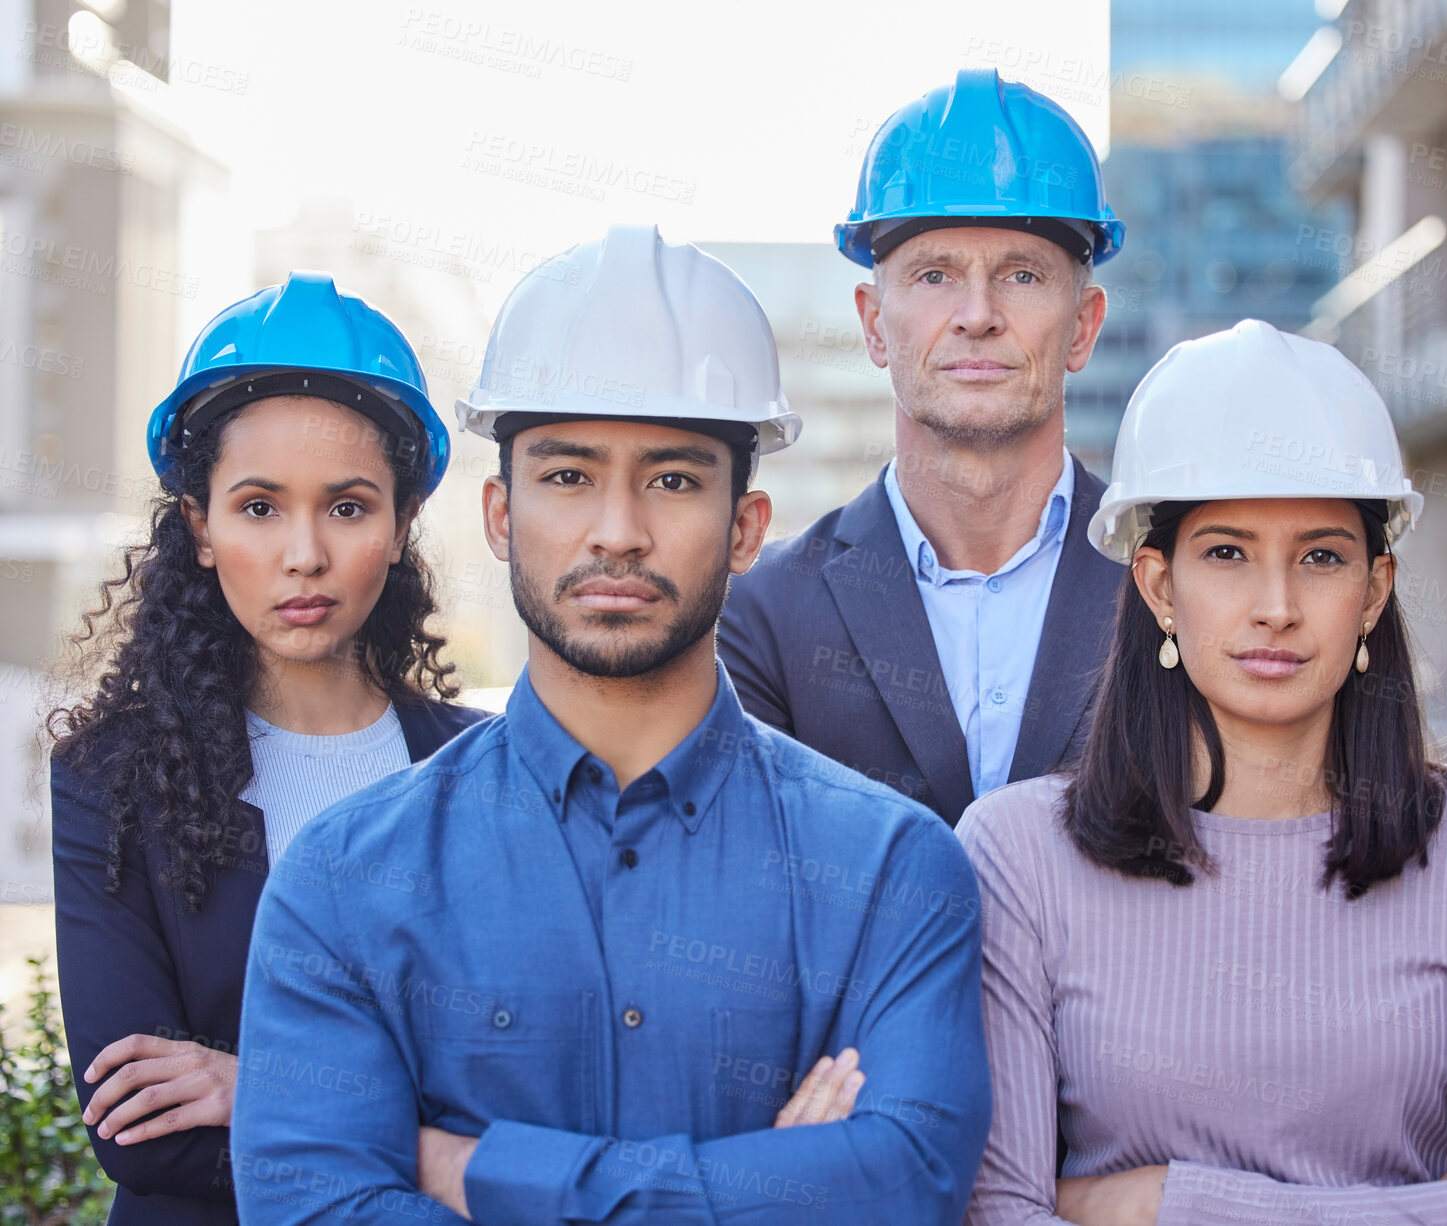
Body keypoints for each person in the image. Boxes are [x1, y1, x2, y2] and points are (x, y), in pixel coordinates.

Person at [231, 226, 992, 1225]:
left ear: (747, 526)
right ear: (500, 516)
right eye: (567, 475)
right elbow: (313, 1209)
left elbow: (900, 1183)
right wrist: (768, 1183)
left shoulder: (894, 869)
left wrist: (489, 1173)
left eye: (672, 478)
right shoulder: (343, 878)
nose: (617, 530)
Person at [957, 319, 1447, 1225]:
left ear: (1373, 590)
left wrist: (1164, 1204)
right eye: (1226, 553)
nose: (1277, 608)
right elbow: (998, 1212)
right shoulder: (1016, 853)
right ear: (1158, 587)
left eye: (1321, 558)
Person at [48, 272, 487, 1226]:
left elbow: (525, 1097)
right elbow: (142, 1135)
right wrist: (423, 1140)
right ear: (199, 526)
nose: (303, 555)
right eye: (257, 507)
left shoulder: (487, 773)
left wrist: (261, 1088)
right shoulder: (110, 777)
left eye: (347, 506)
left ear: (402, 523)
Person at [720, 69, 1128, 825]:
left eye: (1022, 274)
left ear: (1082, 325)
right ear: (874, 324)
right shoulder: (762, 614)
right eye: (935, 275)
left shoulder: (1174, 584)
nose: (977, 315)